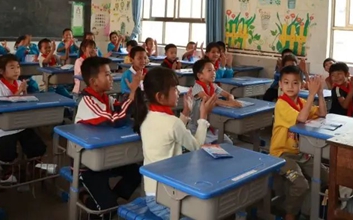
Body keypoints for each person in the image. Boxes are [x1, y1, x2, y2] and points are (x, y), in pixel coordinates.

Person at [133, 67, 217, 219]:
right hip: (167, 199)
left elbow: (171, 133)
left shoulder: (148, 115)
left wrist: (185, 112)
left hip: (153, 194)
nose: (178, 92)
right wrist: (203, 117)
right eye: (174, 89)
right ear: (160, 96)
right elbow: (196, 147)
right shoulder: (172, 123)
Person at [74, 57, 141, 211]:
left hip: (107, 156)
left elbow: (121, 110)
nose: (112, 77)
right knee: (107, 209)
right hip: (88, 164)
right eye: (107, 74)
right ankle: (88, 197)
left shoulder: (106, 98)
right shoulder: (88, 102)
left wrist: (134, 95)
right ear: (93, 81)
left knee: (136, 172)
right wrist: (131, 95)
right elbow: (114, 120)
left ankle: (110, 198)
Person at [270, 66, 328, 220]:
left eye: (295, 83)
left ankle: (307, 210)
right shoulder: (281, 104)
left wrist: (320, 93)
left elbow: (322, 113)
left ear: (302, 85)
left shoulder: (302, 103)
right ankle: (290, 215)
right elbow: (301, 118)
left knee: (326, 177)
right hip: (282, 154)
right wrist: (311, 95)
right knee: (300, 184)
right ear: (280, 85)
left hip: (301, 153)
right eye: (286, 82)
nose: (290, 86)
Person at [0, 54, 46, 184]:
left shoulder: (19, 83)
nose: (16, 71)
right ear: (1, 71)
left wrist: (24, 92)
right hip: (2, 128)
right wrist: (19, 92)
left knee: (38, 146)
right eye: (12, 67)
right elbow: (1, 107)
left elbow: (24, 102)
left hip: (20, 125)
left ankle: (32, 167)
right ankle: (5, 174)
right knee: (7, 151)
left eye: (18, 67)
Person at [191, 58, 241, 144]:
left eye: (214, 70)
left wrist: (231, 100)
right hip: (197, 127)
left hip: (212, 127)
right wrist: (228, 103)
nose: (213, 73)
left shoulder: (214, 86)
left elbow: (228, 95)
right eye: (209, 70)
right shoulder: (196, 87)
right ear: (200, 75)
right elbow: (208, 99)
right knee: (205, 148)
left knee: (228, 143)